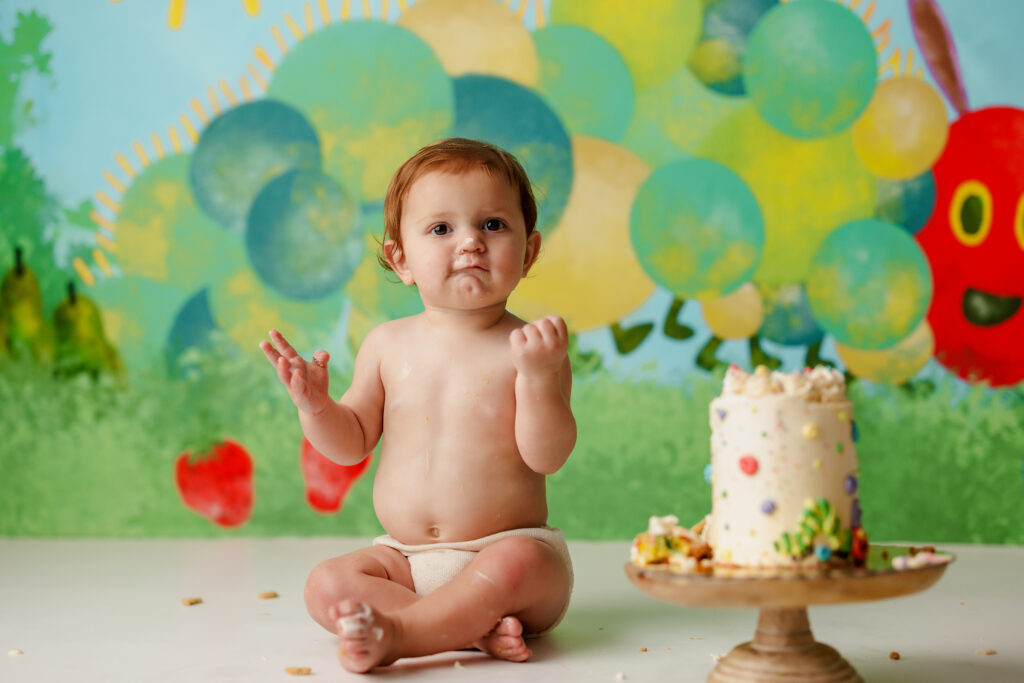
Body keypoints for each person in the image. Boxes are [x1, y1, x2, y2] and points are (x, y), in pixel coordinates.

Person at [259, 138, 576, 673]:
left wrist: (540, 378)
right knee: (326, 585)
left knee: (521, 564)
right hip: (404, 561)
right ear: (400, 258)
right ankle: (465, 630)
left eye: (494, 225)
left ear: (529, 251)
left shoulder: (531, 349)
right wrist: (316, 407)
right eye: (441, 229)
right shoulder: (387, 344)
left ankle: (405, 633)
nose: (471, 242)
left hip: (506, 551)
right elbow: (350, 441)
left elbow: (547, 456)